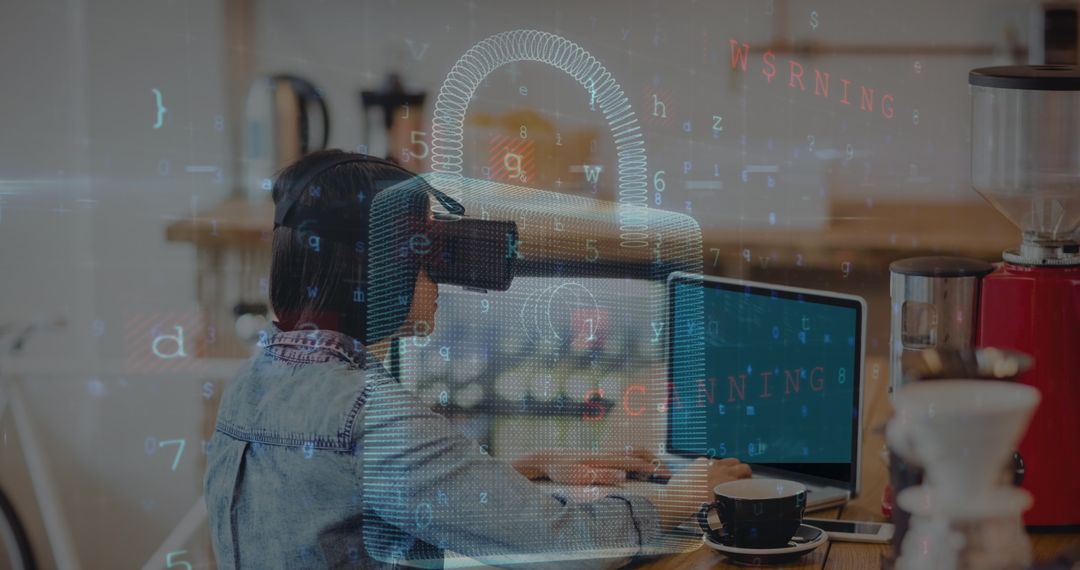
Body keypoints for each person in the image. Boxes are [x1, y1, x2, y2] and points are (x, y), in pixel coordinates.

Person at [205, 150, 751, 569]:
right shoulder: (374, 417)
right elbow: (563, 551)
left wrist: (527, 469)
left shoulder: (253, 383)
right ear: (381, 271)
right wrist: (687, 494)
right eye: (427, 250)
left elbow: (362, 498)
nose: (442, 275)